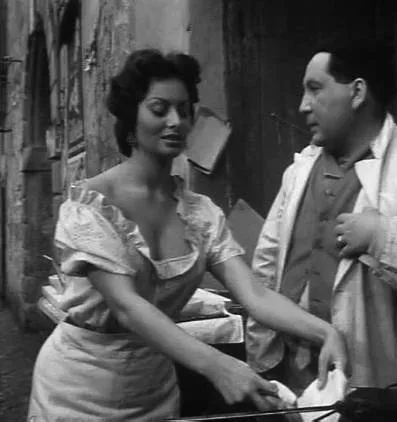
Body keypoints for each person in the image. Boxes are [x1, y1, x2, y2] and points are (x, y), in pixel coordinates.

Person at [27, 49, 348, 421]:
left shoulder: (200, 215)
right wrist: (218, 366)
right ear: (131, 116)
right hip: (77, 387)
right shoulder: (91, 204)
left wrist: (324, 332)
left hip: (153, 389)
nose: (175, 121)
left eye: (184, 110)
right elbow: (128, 307)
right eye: (159, 109)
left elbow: (255, 294)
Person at [246, 39, 397, 398]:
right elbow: (266, 269)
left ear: (357, 92)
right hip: (290, 381)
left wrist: (383, 238)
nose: (302, 105)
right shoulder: (298, 172)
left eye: (315, 89)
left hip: (374, 389)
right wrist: (261, 361)